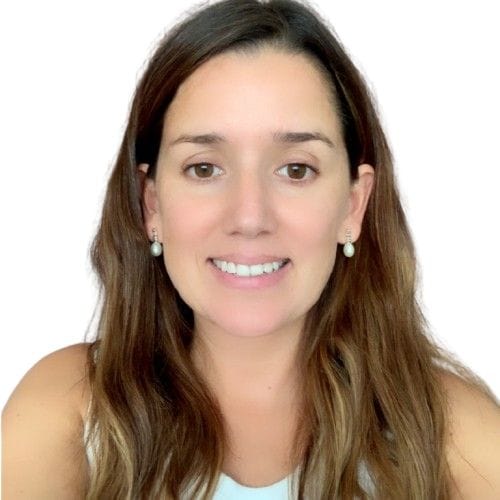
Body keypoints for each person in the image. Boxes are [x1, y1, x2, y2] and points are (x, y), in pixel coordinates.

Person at [3, 0, 500, 498]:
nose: (249, 217)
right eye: (204, 168)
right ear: (151, 204)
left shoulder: (456, 436)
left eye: (296, 170)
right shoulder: (68, 410)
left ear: (353, 205)